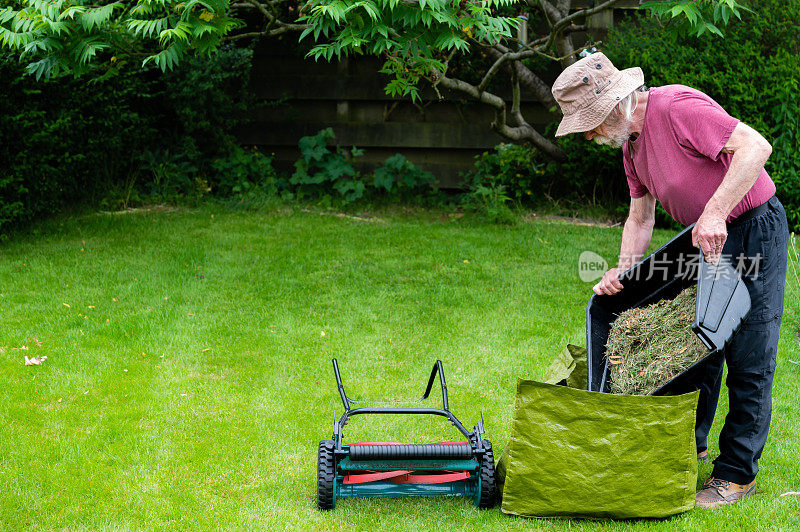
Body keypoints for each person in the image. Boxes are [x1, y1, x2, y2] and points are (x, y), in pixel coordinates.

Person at [550, 52, 789, 509]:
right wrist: (623, 269)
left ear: (614, 105)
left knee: (749, 351)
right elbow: (640, 215)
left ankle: (736, 475)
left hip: (752, 227)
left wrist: (716, 212)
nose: (587, 134)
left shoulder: (677, 108)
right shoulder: (631, 146)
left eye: (590, 123)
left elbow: (756, 147)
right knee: (695, 346)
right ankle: (688, 443)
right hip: (701, 239)